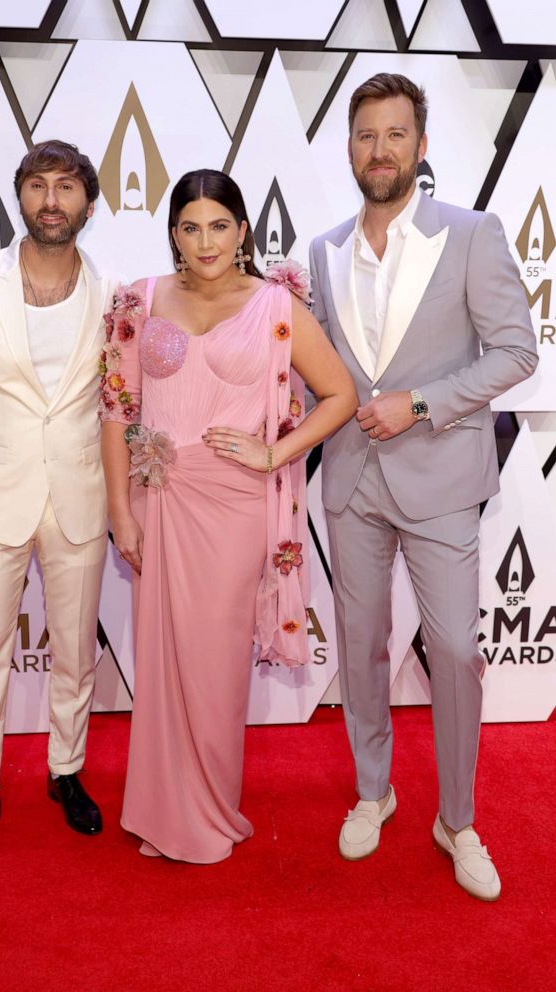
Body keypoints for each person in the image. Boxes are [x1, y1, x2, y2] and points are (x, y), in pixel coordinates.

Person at [309, 73, 538, 900]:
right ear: (348, 148)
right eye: (366, 135)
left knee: (453, 653)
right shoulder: (322, 249)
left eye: (395, 134)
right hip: (350, 484)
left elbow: (516, 351)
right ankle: (374, 791)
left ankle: (456, 818)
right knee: (362, 651)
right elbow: (320, 373)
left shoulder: (472, 234)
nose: (380, 150)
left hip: (441, 480)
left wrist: (419, 403)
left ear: (422, 144)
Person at [100, 169, 358, 863]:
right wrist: (121, 510)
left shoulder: (275, 305)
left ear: (242, 230)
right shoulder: (140, 298)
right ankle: (161, 812)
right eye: (190, 226)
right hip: (161, 499)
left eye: (219, 225)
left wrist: (277, 452)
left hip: (237, 505)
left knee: (213, 668)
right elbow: (117, 408)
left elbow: (338, 396)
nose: (205, 241)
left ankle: (208, 810)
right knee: (159, 665)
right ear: (174, 234)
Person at [0, 140, 112, 871]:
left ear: (87, 206)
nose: (50, 200)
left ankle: (66, 771)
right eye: (37, 186)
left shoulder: (115, 292)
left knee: (74, 653)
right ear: (20, 198)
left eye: (65, 188)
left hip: (78, 497)